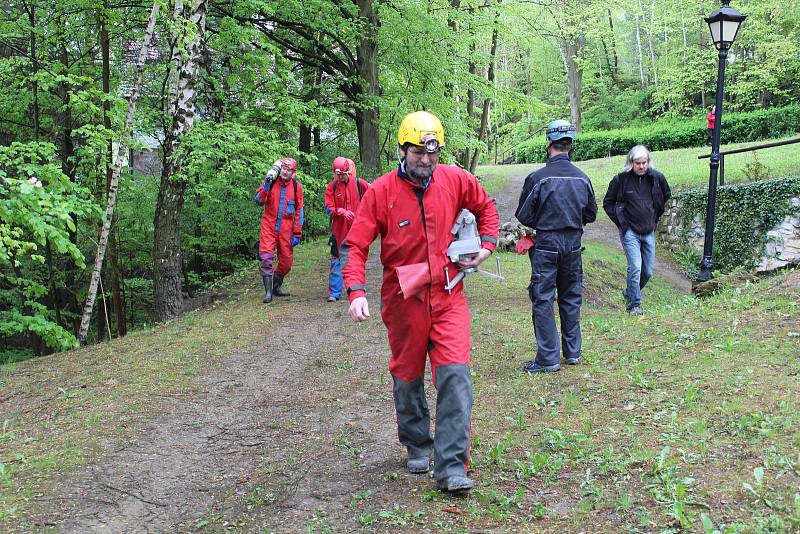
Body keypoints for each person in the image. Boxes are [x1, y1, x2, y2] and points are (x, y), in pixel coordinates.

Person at [341, 111, 499, 493]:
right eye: (417, 153)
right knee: (407, 375)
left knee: (455, 377)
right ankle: (416, 440)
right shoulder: (380, 191)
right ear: (402, 150)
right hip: (403, 302)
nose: (426, 161)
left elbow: (486, 209)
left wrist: (487, 246)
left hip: (448, 295)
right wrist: (356, 291)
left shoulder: (456, 179)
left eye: (432, 153)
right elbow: (357, 245)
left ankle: (451, 467)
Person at [515, 120, 597, 373]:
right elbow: (591, 214)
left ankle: (548, 358)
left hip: (547, 242)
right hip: (573, 243)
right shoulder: (582, 178)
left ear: (549, 143)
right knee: (571, 296)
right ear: (570, 145)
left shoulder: (538, 178)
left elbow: (524, 214)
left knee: (543, 298)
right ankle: (572, 352)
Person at [602, 145, 671, 316]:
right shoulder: (621, 180)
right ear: (631, 163)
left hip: (648, 230)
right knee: (635, 267)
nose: (641, 166)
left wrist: (655, 215)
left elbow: (666, 195)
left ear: (649, 162)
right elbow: (608, 203)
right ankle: (634, 306)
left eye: (644, 162)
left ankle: (630, 292)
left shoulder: (656, 178)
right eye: (638, 163)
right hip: (630, 232)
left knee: (647, 272)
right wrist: (621, 223)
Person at [253, 158, 304, 304]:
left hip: (286, 229)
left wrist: (297, 232)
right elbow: (258, 201)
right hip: (268, 226)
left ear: (293, 172)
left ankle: (276, 286)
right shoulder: (271, 181)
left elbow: (300, 211)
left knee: (286, 262)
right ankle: (268, 292)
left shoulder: (296, 187)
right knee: (266, 258)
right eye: (284, 169)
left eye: (289, 170)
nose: (285, 172)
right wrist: (266, 186)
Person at [324, 157, 370, 302]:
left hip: (357, 229)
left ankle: (357, 288)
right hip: (338, 230)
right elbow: (328, 208)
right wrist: (340, 211)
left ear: (348, 172)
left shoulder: (358, 183)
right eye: (339, 175)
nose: (342, 177)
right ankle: (335, 293)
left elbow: (373, 195)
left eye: (344, 174)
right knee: (336, 260)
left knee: (357, 257)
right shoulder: (331, 187)